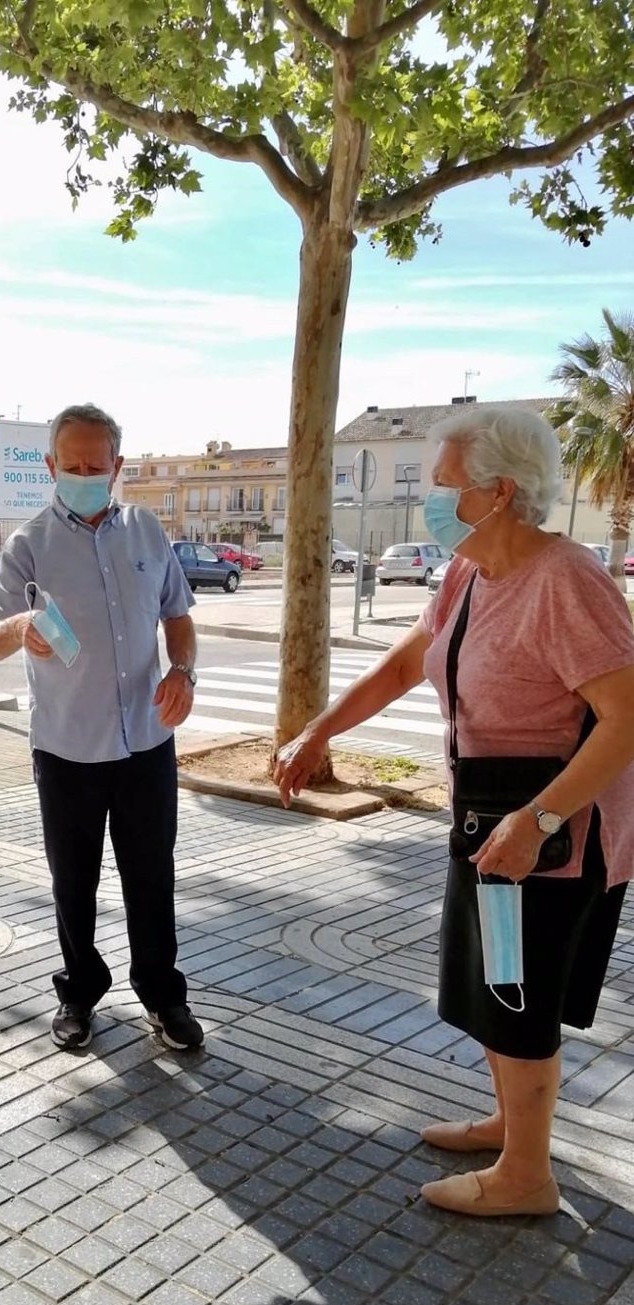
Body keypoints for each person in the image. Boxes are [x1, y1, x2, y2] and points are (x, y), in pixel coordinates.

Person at [273, 407, 634, 1217]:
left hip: (553, 831)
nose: (432, 502)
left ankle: (527, 1177)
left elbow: (628, 718)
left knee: (519, 992)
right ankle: (511, 1126)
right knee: (488, 982)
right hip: (487, 812)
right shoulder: (470, 570)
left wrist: (539, 820)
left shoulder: (567, 579)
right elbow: (411, 661)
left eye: (443, 486)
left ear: (499, 492)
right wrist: (319, 729)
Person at [0, 402, 203, 1052]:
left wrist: (183, 671)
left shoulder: (147, 533)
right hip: (67, 749)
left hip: (146, 744)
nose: (82, 474)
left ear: (117, 467)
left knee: (151, 877)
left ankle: (164, 996)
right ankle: (79, 993)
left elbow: (179, 618)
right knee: (74, 882)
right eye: (69, 466)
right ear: (50, 466)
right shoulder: (28, 546)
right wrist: (21, 630)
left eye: (94, 466)